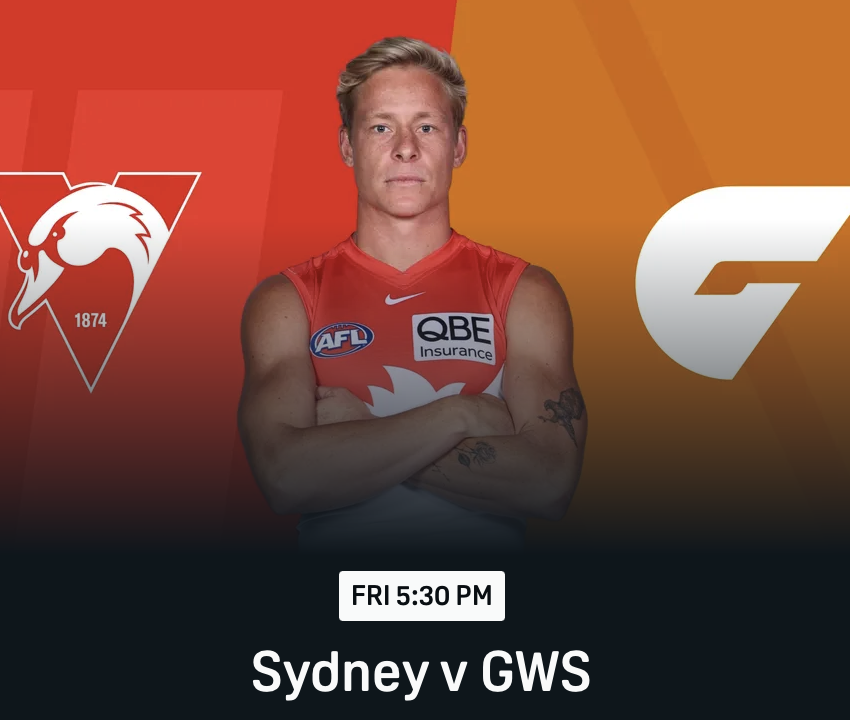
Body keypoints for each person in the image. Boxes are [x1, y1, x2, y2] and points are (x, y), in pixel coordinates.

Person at [237, 37, 587, 553]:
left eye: (426, 126)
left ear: (459, 146)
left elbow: (549, 483)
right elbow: (286, 477)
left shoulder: (523, 292)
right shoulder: (287, 300)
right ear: (347, 146)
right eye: (381, 127)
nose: (405, 147)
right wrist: (460, 415)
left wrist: (362, 437)